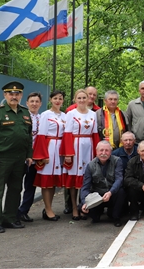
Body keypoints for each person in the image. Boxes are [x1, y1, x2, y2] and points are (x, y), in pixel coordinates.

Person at [0, 81, 33, 233]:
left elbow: (28, 136)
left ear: (21, 95)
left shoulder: (25, 112)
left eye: (17, 94)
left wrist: (29, 155)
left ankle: (9, 218)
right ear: (5, 95)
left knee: (15, 190)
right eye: (11, 94)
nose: (14, 96)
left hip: (19, 159)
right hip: (2, 159)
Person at [61, 89, 100, 221]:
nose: (82, 100)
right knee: (74, 180)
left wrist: (97, 151)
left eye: (84, 97)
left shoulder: (93, 114)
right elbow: (67, 135)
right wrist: (68, 153)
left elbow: (95, 134)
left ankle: (85, 206)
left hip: (88, 146)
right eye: (80, 98)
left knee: (87, 178)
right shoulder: (71, 114)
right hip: (75, 146)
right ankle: (73, 207)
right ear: (75, 99)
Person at [32, 90, 66, 221]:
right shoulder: (46, 115)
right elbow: (41, 136)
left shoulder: (64, 116)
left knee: (53, 182)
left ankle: (49, 208)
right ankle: (48, 209)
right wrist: (43, 155)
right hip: (50, 147)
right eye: (55, 98)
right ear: (51, 100)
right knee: (47, 181)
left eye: (60, 98)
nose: (58, 100)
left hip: (60, 148)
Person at [80, 141, 126, 227]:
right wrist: (84, 202)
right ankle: (96, 215)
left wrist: (110, 192)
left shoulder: (117, 161)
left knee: (121, 192)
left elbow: (119, 179)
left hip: (112, 194)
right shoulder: (90, 165)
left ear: (110, 152)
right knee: (81, 206)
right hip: (97, 196)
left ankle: (116, 217)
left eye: (106, 150)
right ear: (96, 151)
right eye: (101, 150)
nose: (103, 153)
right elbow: (85, 186)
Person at [17, 92, 42, 223]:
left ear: (40, 104)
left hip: (35, 157)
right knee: (16, 186)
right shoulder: (22, 117)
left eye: (37, 101)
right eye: (31, 101)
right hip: (21, 157)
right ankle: (12, 211)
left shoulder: (42, 118)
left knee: (31, 186)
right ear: (27, 103)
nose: (34, 104)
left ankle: (23, 211)